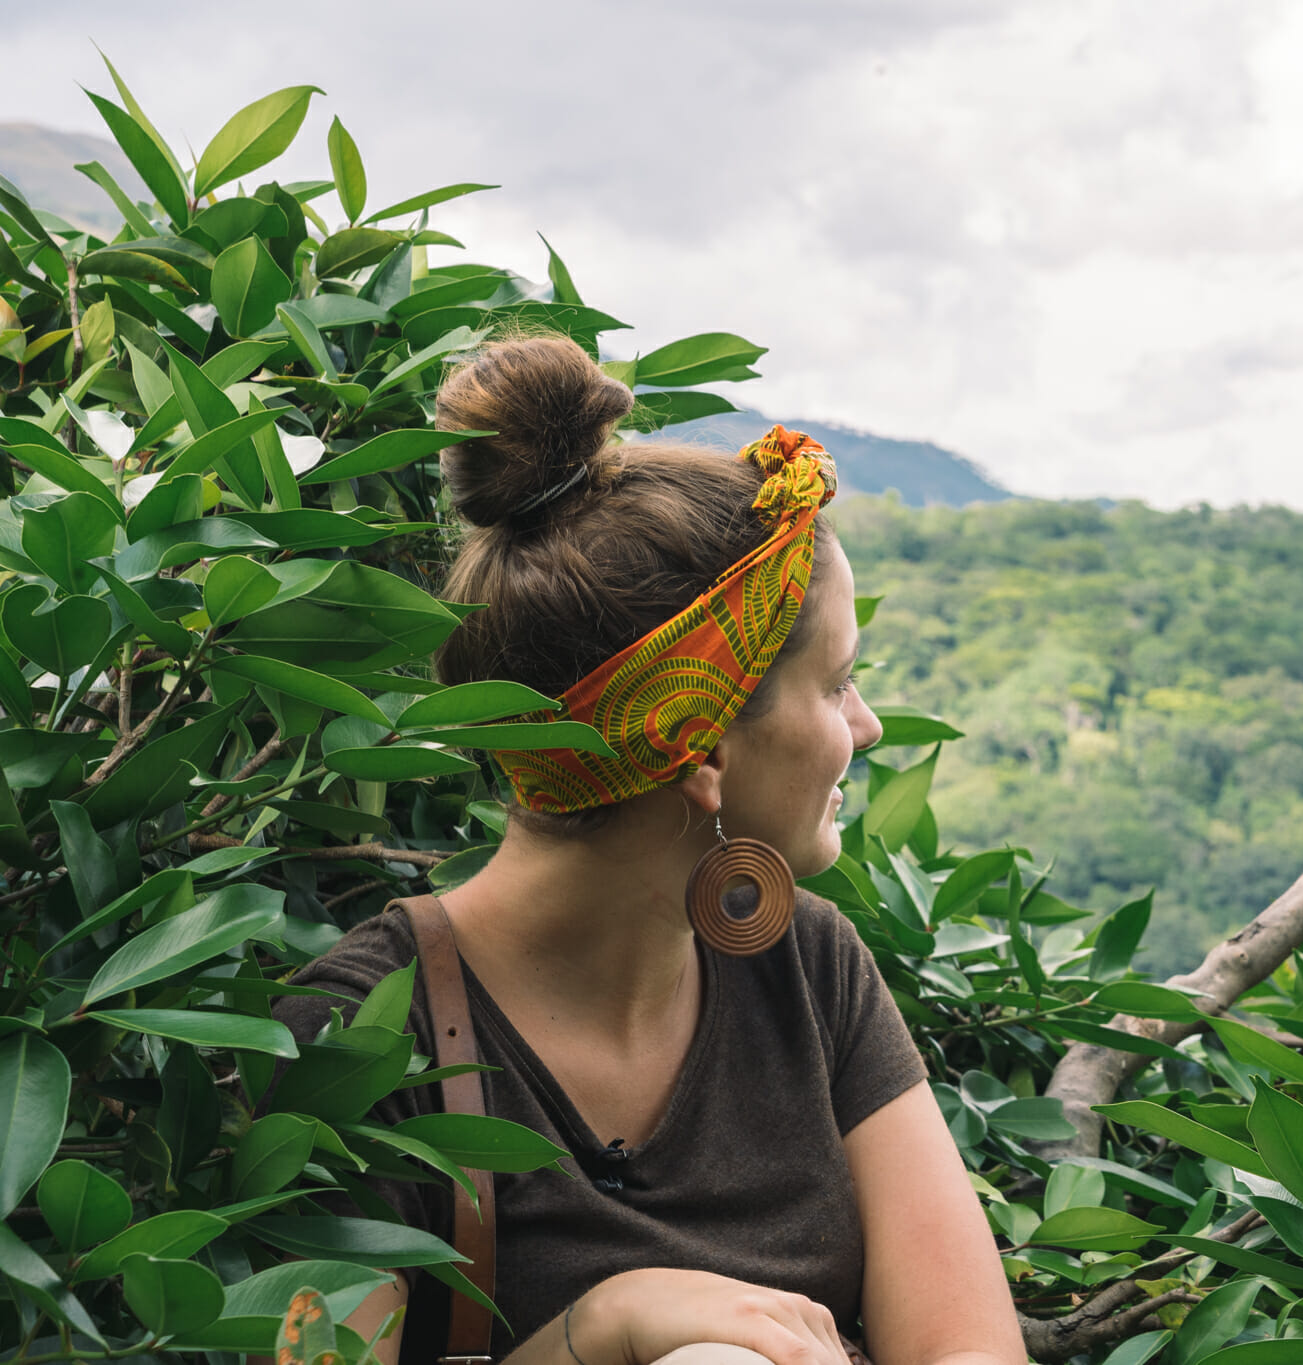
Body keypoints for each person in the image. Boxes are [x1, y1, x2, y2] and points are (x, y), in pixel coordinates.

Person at [273, 335, 1025, 1365]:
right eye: (837, 683)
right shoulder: (354, 1041)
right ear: (703, 746)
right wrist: (596, 1334)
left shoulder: (805, 967)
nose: (867, 727)